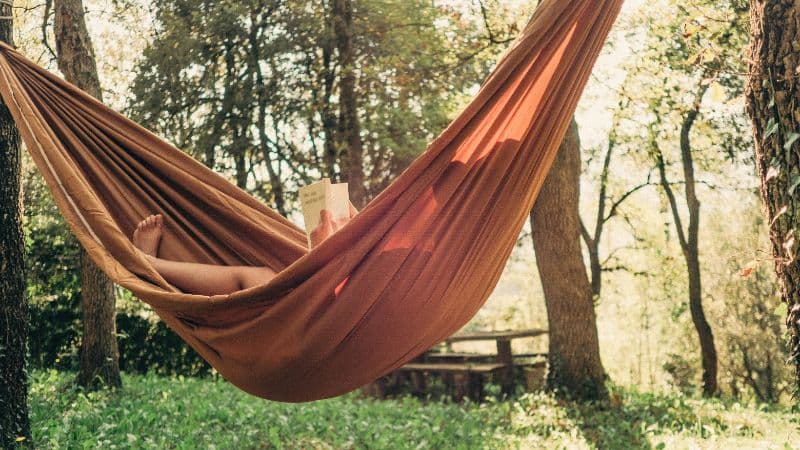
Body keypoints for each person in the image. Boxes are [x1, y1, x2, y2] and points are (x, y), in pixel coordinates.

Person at [132, 204, 358, 296]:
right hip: (322, 322)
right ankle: (150, 263)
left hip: (316, 338)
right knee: (264, 279)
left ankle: (149, 263)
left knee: (257, 279)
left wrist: (322, 252)